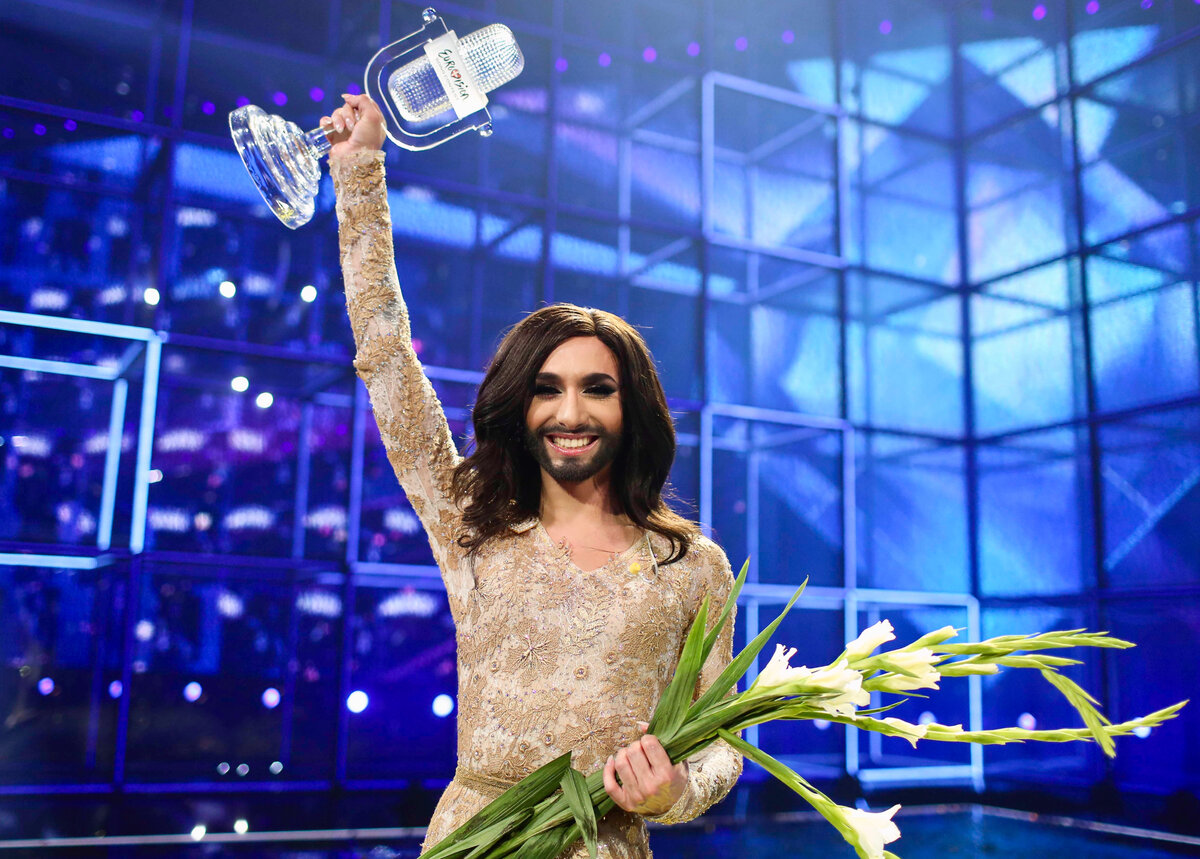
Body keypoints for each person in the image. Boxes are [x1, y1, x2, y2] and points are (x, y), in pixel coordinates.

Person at [323, 94, 741, 858]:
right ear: (520, 407)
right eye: (547, 389)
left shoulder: (693, 567)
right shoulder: (472, 522)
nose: (569, 411)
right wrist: (359, 174)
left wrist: (676, 792)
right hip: (473, 842)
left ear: (633, 408)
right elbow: (386, 354)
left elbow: (722, 742)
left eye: (597, 388)